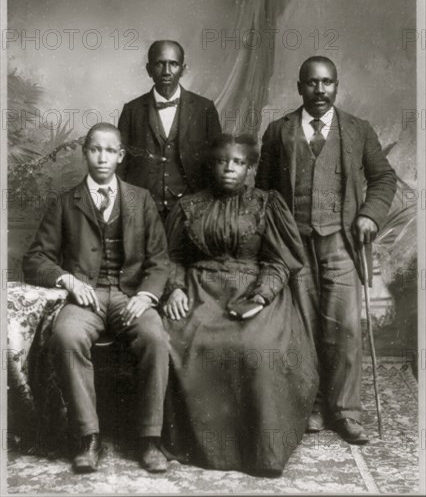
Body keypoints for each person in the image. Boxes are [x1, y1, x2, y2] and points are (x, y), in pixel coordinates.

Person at [255, 56, 397, 445]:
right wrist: (271, 241)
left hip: (341, 241)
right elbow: (263, 191)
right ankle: (312, 405)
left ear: (337, 85)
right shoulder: (278, 131)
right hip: (294, 242)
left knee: (345, 328)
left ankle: (346, 411)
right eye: (312, 83)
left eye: (327, 83)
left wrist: (370, 214)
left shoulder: (358, 130)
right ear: (299, 87)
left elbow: (383, 177)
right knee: (302, 327)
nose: (320, 90)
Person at [161, 134, 319, 476]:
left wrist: (261, 295)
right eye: (222, 161)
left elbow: (280, 261)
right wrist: (174, 288)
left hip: (254, 289)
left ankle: (260, 450)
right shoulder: (189, 207)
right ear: (211, 165)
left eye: (237, 162)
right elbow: (172, 258)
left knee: (255, 346)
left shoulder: (266, 204)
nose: (229, 168)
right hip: (199, 289)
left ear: (249, 167)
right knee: (183, 339)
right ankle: (193, 443)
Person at [23, 123, 171, 473]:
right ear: (85, 152)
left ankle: (150, 439)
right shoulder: (65, 203)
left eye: (109, 150)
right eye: (94, 149)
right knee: (66, 336)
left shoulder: (141, 199)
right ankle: (88, 437)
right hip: (85, 298)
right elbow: (35, 258)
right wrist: (68, 280)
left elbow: (160, 259)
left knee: (155, 337)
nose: (102, 157)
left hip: (130, 294)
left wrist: (148, 295)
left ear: (120, 156)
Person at [117, 40, 222, 219]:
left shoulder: (204, 109)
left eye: (173, 64)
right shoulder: (131, 111)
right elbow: (120, 166)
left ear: (183, 68)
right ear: (149, 69)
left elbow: (217, 161)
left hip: (193, 213)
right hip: (142, 213)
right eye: (160, 64)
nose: (166, 71)